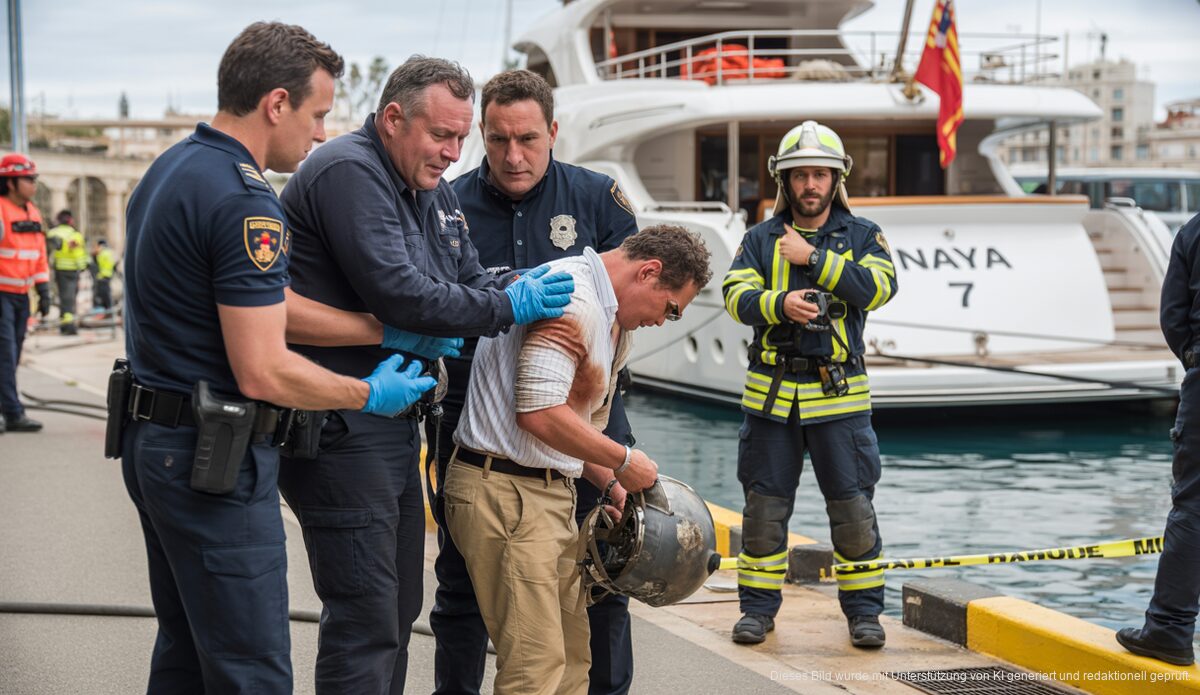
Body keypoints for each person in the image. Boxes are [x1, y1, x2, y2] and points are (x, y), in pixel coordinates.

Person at [119, 23, 438, 694]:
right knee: (251, 669)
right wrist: (364, 393)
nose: (321, 133)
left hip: (157, 445)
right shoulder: (246, 201)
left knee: (186, 653)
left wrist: (378, 329)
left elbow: (266, 303)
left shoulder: (174, 170)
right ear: (275, 103)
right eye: (317, 113)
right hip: (215, 463)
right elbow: (265, 367)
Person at [276, 55, 576, 694]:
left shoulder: (431, 191)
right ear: (392, 119)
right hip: (339, 424)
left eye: (461, 138)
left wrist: (512, 284)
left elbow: (464, 277)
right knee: (365, 615)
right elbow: (401, 293)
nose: (453, 152)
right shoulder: (349, 171)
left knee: (396, 609)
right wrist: (505, 307)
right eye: (442, 135)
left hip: (392, 424)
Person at [434, 68, 640, 695]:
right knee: (463, 590)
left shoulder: (598, 199)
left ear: (553, 130)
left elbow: (632, 302)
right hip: (478, 419)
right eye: (497, 141)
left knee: (602, 581)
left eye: (527, 138)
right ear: (482, 136)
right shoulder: (447, 205)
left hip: (587, 416)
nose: (513, 156)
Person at [446, 224, 711, 695]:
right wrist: (626, 460)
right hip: (507, 493)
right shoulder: (575, 301)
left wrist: (612, 485)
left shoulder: (610, 318)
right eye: (670, 309)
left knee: (570, 659)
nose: (662, 322)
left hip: (543, 493)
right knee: (535, 667)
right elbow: (539, 413)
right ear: (649, 272)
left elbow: (574, 423)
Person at [721, 120, 898, 648]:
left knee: (852, 513)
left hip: (839, 401)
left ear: (836, 178)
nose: (810, 185)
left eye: (820, 174)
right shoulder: (758, 239)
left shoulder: (864, 235)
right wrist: (779, 305)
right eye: (800, 176)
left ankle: (865, 615)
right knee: (763, 513)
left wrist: (814, 261)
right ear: (785, 181)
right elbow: (734, 295)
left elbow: (879, 288)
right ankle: (757, 611)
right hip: (771, 400)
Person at [1116, 211, 1200, 667]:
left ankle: (1169, 628)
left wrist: (1193, 358)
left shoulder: (1193, 231)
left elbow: (1174, 317)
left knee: (1194, 505)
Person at [0, 153, 50, 434]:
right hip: (1, 294)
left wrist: (43, 290)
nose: (33, 184)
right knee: (5, 355)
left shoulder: (32, 212)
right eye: (28, 179)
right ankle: (12, 412)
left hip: (21, 296)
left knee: (14, 352)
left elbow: (39, 254)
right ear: (10, 182)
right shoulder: (0, 210)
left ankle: (7, 408)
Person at [45, 210, 88, 334]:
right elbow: (79, 254)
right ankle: (69, 326)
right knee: (70, 299)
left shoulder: (52, 233)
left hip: (59, 270)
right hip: (72, 271)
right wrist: (83, 267)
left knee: (64, 298)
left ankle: (64, 324)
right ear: (70, 220)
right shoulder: (75, 235)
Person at [90, 238, 116, 315]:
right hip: (108, 275)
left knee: (102, 296)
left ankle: (107, 312)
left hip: (102, 276)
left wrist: (94, 254)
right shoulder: (110, 252)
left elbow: (96, 264)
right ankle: (109, 312)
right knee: (107, 295)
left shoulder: (101, 253)